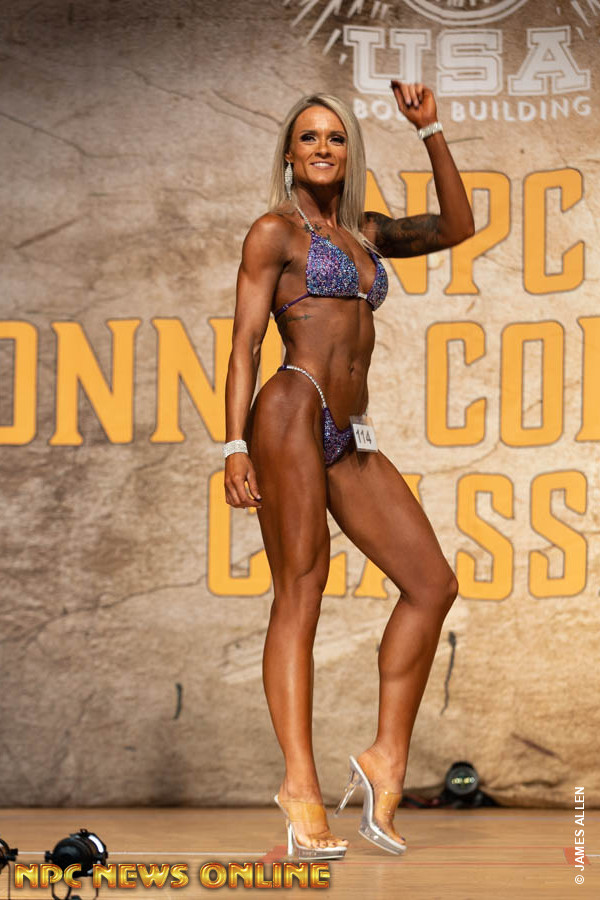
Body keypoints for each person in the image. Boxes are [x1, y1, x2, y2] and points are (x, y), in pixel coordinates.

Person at [223, 81, 474, 859]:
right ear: (289, 153)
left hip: (350, 432)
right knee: (301, 592)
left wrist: (430, 129)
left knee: (432, 585)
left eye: (335, 137)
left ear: (349, 150)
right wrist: (232, 445)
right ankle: (300, 788)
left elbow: (458, 227)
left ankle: (385, 757)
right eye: (309, 137)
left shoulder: (364, 233)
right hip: (290, 411)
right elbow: (244, 344)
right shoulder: (275, 233)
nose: (323, 148)